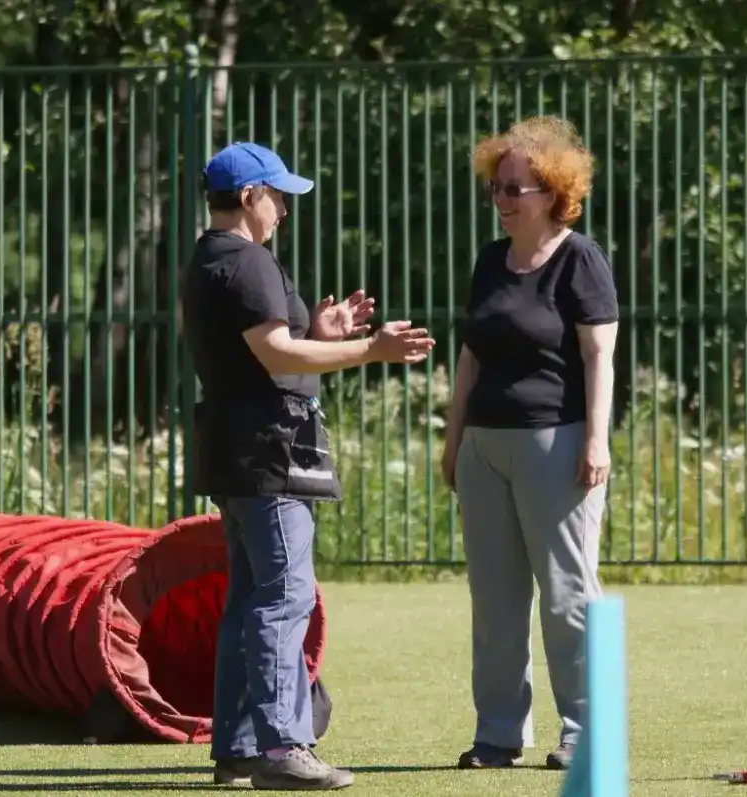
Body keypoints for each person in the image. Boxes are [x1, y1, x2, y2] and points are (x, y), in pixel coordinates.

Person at [180, 141, 436, 791]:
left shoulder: (207, 258)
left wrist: (319, 334)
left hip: (234, 452)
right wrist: (369, 349)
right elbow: (275, 354)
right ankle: (281, 746)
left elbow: (265, 354)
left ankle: (239, 748)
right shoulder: (249, 261)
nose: (284, 211)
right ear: (249, 197)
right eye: (277, 197)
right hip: (269, 454)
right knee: (283, 597)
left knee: (249, 599)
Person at [441, 116, 619, 771]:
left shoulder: (580, 258)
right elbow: (470, 357)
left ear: (553, 192)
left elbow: (598, 355)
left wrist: (596, 440)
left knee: (568, 596)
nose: (503, 199)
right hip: (483, 449)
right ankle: (497, 734)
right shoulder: (491, 261)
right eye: (497, 187)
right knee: (494, 602)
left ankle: (584, 731)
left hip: (557, 445)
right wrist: (453, 439)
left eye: (516, 188)